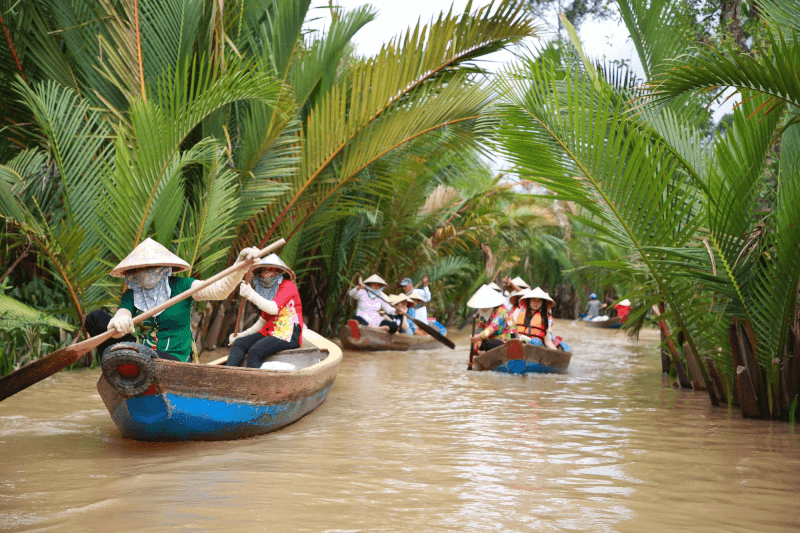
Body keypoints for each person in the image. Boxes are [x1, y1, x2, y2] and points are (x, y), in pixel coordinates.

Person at [84, 238, 260, 362]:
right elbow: (123, 313)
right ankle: (117, 367)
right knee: (94, 318)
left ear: (162, 267)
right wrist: (119, 322)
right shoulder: (133, 294)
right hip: (140, 352)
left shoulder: (183, 286)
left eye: (151, 266)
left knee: (142, 356)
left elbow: (219, 291)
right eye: (140, 268)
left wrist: (240, 266)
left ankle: (130, 360)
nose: (145, 271)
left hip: (174, 356)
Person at [226, 254, 304, 368]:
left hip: (288, 334)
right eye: (263, 271)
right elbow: (263, 321)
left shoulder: (288, 286)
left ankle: (255, 384)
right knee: (239, 343)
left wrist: (250, 294)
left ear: (278, 271)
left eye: (270, 270)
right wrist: (241, 335)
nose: (265, 274)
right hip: (270, 331)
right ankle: (226, 375)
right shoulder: (268, 292)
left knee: (255, 351)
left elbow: (273, 309)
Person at [467, 284, 515, 354]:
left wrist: (477, 337)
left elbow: (492, 328)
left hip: (507, 342)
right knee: (477, 346)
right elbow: (480, 330)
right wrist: (473, 351)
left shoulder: (502, 311)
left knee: (488, 343)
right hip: (491, 341)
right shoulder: (483, 314)